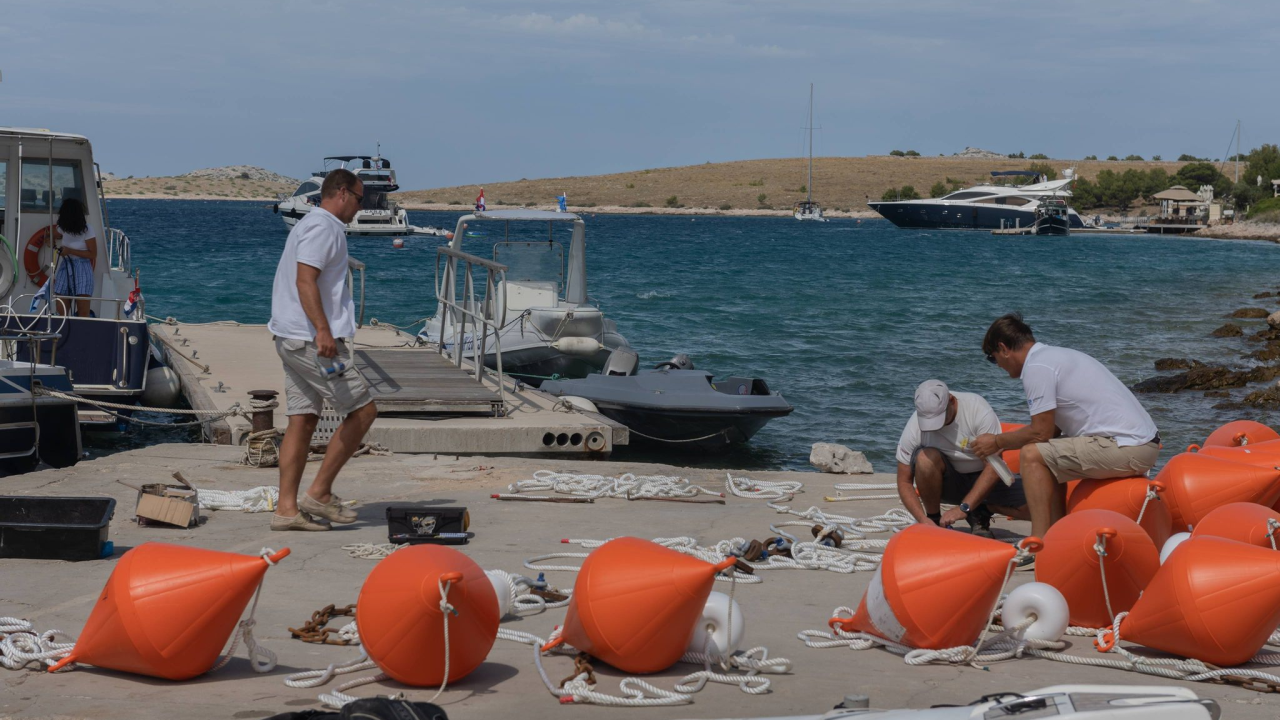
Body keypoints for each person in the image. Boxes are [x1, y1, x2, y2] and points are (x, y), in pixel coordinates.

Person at [969, 313, 1159, 543]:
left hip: (1129, 447)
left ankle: (1039, 542)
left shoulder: (1036, 367)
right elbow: (1052, 433)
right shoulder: (1054, 356)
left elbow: (1041, 432)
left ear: (1003, 348)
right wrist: (1004, 444)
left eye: (992, 358)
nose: (997, 365)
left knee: (1031, 455)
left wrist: (997, 442)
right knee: (1044, 455)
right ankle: (1058, 537)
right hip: (1140, 444)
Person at [267, 168, 379, 531]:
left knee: (302, 419)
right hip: (312, 344)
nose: (361, 207)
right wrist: (323, 331)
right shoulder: (323, 227)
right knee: (362, 411)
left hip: (291, 338)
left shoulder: (310, 224)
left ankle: (286, 510)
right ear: (343, 193)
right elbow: (305, 279)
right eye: (361, 199)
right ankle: (320, 493)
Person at [895, 379, 1028, 537]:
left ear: (951, 400)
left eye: (940, 418)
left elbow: (993, 467)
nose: (935, 426)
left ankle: (981, 510)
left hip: (985, 479)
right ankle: (934, 520)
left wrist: (965, 507)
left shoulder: (977, 409)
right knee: (924, 458)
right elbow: (904, 480)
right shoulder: (915, 425)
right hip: (948, 483)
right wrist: (922, 519)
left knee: (1037, 508)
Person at [51, 198, 97, 317]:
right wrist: (50, 241)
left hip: (82, 267)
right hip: (65, 267)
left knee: (82, 311)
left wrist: (70, 251)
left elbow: (93, 254)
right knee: (61, 308)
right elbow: (51, 235)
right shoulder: (63, 228)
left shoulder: (88, 229)